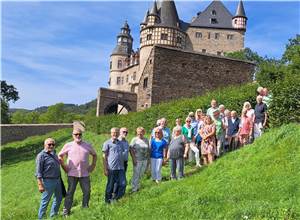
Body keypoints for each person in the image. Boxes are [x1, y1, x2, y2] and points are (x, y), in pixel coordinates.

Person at [59, 128, 97, 216]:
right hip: (72, 174)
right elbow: (60, 156)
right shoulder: (68, 145)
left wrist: (93, 165)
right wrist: (64, 167)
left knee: (87, 192)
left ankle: (85, 208)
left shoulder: (87, 145)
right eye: (76, 134)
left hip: (85, 174)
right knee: (70, 193)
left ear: (82, 135)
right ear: (72, 135)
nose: (78, 136)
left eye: (79, 134)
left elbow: (94, 155)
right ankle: (66, 212)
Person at [36, 138, 62, 219]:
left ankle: (53, 216)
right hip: (48, 181)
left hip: (57, 180)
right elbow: (38, 172)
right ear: (45, 145)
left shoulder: (54, 153)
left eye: (53, 144)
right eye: (49, 144)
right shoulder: (41, 156)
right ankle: (41, 218)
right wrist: (40, 184)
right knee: (45, 201)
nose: (51, 146)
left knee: (59, 198)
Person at [102, 128, 126, 203]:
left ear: (119, 133)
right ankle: (107, 201)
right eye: (113, 132)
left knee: (123, 184)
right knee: (110, 186)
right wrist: (105, 168)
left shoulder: (120, 143)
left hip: (120, 168)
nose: (115, 134)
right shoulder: (107, 143)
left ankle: (116, 199)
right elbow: (104, 156)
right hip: (111, 168)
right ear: (111, 133)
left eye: (116, 132)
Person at [130, 127, 150, 192]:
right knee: (136, 173)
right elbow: (131, 149)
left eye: (141, 132)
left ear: (144, 132)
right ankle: (134, 188)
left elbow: (148, 149)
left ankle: (137, 185)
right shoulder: (134, 139)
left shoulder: (146, 140)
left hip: (145, 159)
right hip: (137, 159)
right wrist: (134, 159)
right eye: (138, 132)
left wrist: (148, 160)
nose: (139, 133)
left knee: (141, 173)